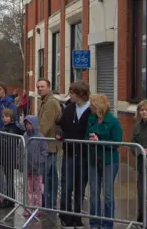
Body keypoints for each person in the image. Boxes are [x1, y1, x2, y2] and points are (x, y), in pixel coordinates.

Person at [57, 81, 92, 227]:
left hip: (84, 155)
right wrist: (60, 134)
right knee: (67, 185)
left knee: (80, 188)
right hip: (69, 153)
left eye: (72, 93)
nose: (69, 95)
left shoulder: (91, 110)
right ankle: (65, 215)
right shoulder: (69, 108)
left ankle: (77, 216)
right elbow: (60, 124)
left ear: (80, 94)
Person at [85, 94, 123, 229]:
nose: (90, 107)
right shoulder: (91, 119)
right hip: (93, 159)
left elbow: (117, 142)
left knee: (107, 193)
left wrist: (99, 141)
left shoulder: (113, 121)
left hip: (109, 161)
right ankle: (94, 222)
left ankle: (108, 223)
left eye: (92, 105)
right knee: (94, 191)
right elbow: (86, 135)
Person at [0, 108, 25, 209]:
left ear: (11, 117)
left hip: (9, 157)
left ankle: (9, 201)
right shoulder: (6, 127)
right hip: (5, 156)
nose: (4, 118)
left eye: (6, 116)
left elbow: (7, 142)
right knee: (8, 178)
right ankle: (8, 199)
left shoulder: (12, 128)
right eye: (3, 116)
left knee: (9, 179)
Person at [36, 78, 62, 209]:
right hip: (48, 144)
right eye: (38, 87)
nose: (40, 89)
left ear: (49, 87)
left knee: (47, 176)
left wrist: (34, 138)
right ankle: (49, 202)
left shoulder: (50, 102)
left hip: (49, 145)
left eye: (42, 86)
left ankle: (48, 202)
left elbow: (44, 125)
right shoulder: (45, 101)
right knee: (51, 175)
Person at [23, 115, 48, 217]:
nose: (28, 126)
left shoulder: (40, 137)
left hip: (37, 169)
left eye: (30, 124)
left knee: (37, 190)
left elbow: (45, 151)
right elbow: (20, 148)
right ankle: (29, 208)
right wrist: (21, 160)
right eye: (26, 124)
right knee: (28, 189)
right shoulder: (24, 135)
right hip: (27, 168)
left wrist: (39, 161)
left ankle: (37, 208)